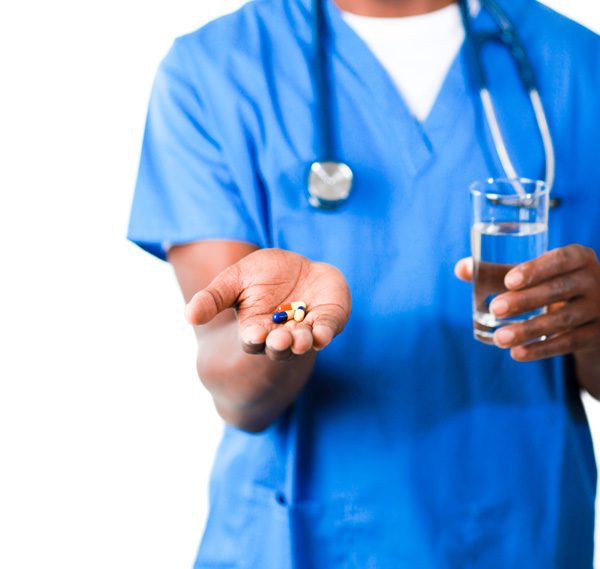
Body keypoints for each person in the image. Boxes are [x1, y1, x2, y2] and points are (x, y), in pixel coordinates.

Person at [128, 0, 600, 566]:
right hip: (307, 539)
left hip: (521, 530)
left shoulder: (576, 63)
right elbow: (235, 388)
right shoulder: (214, 69)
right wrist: (285, 321)